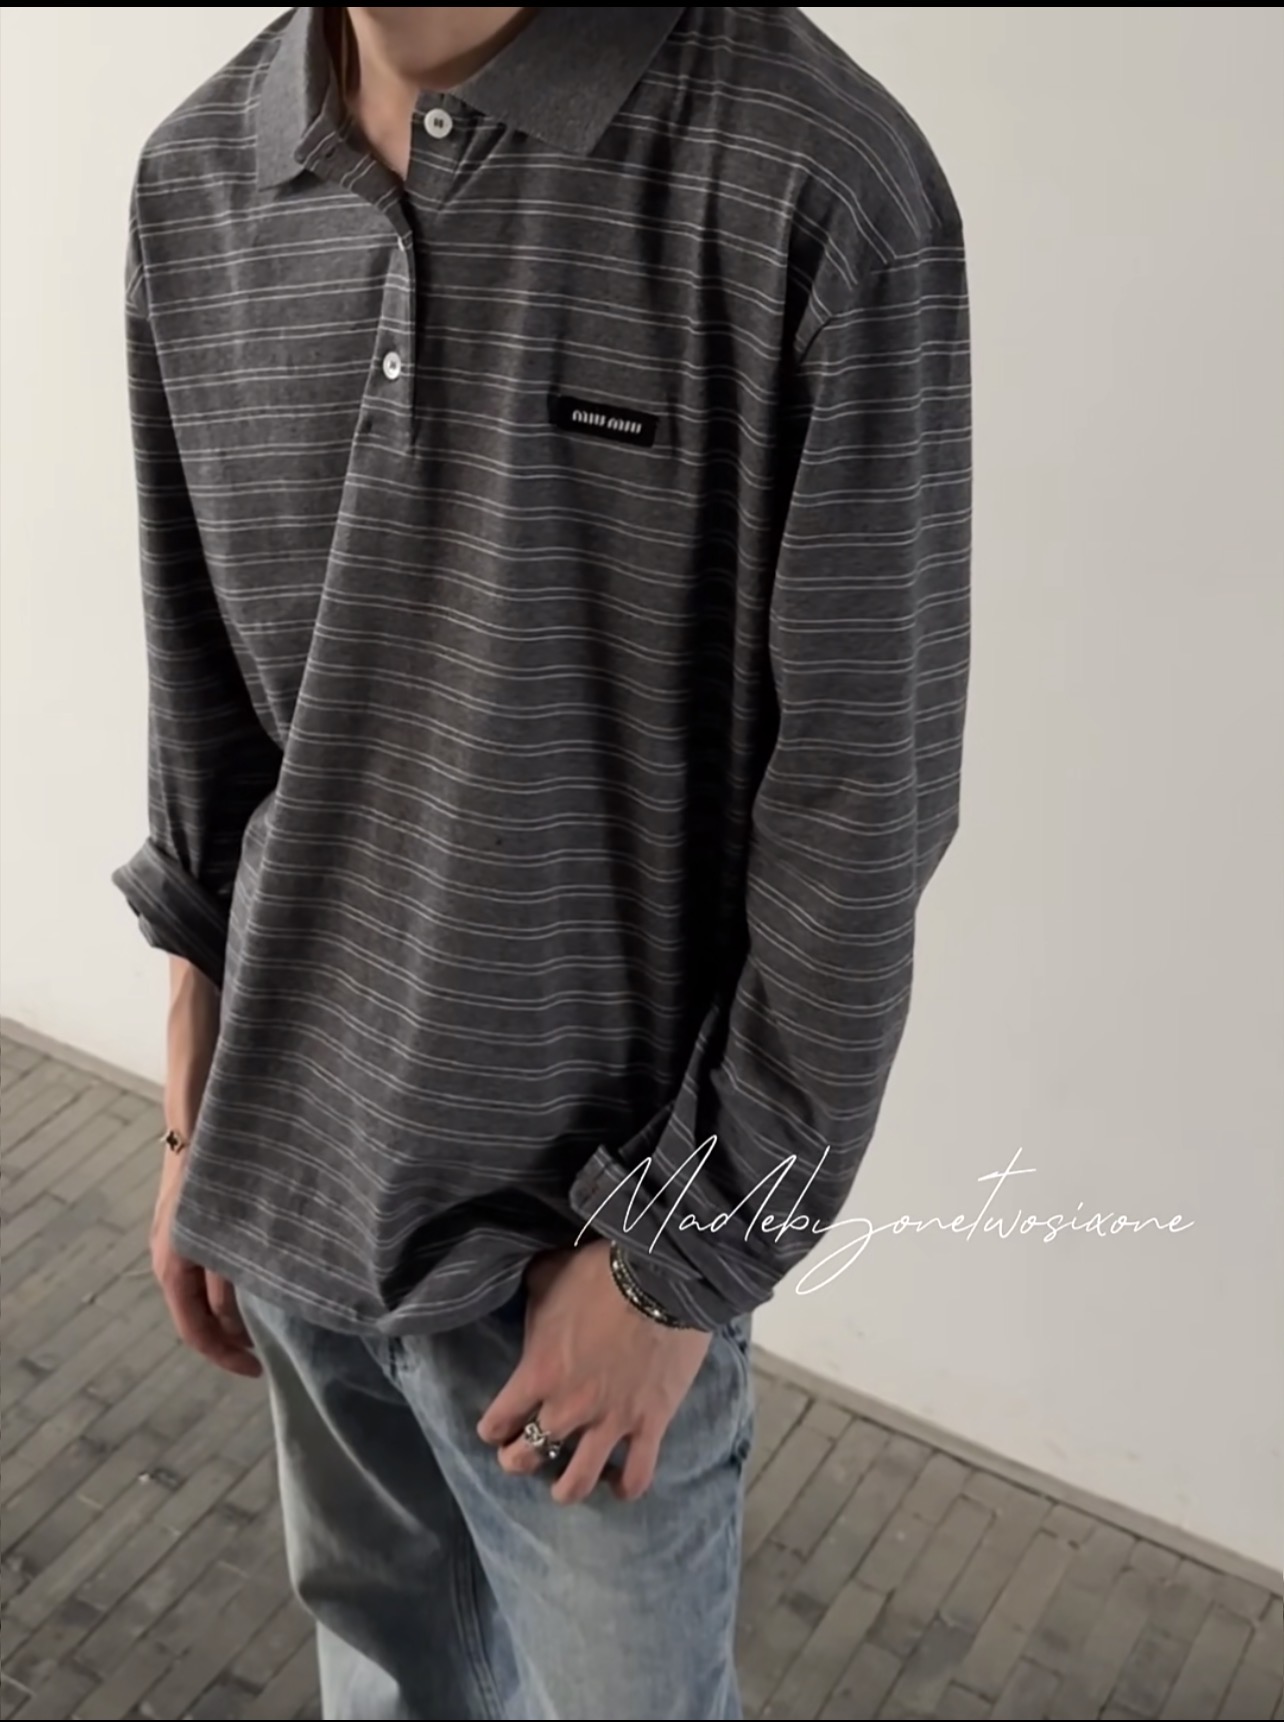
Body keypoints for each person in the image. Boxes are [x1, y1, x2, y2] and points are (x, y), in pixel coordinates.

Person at [114, 6, 970, 1718]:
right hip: (296, 1195)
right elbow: (210, 693)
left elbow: (860, 809)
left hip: (588, 1260)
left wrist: (678, 1258)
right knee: (387, 1690)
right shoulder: (198, 175)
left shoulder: (817, 180)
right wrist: (203, 1113)